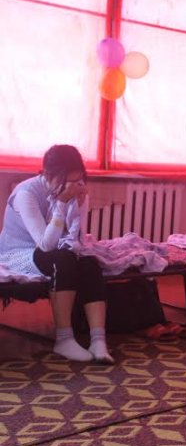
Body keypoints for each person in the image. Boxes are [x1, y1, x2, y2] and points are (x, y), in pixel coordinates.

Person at [0, 145, 114, 363]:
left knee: (89, 263)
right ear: (47, 174)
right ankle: (64, 339)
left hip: (53, 250)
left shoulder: (76, 189)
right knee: (62, 260)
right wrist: (62, 203)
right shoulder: (26, 194)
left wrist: (79, 205)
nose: (72, 186)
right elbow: (46, 245)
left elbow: (75, 237)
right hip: (19, 252)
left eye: (78, 180)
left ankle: (98, 340)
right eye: (66, 182)